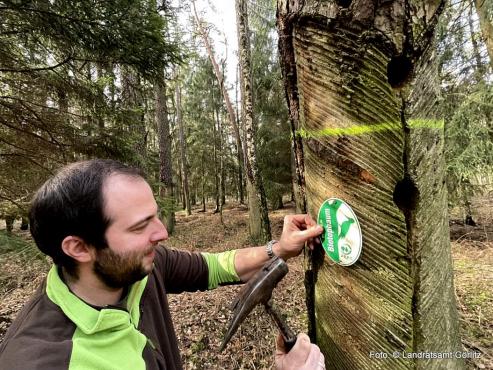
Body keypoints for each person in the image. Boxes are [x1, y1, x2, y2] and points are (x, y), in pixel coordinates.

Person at [0, 159, 325, 370]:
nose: (162, 232)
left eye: (155, 215)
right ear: (79, 247)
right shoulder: (47, 361)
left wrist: (279, 248)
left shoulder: (136, 268)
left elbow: (216, 266)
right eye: (140, 226)